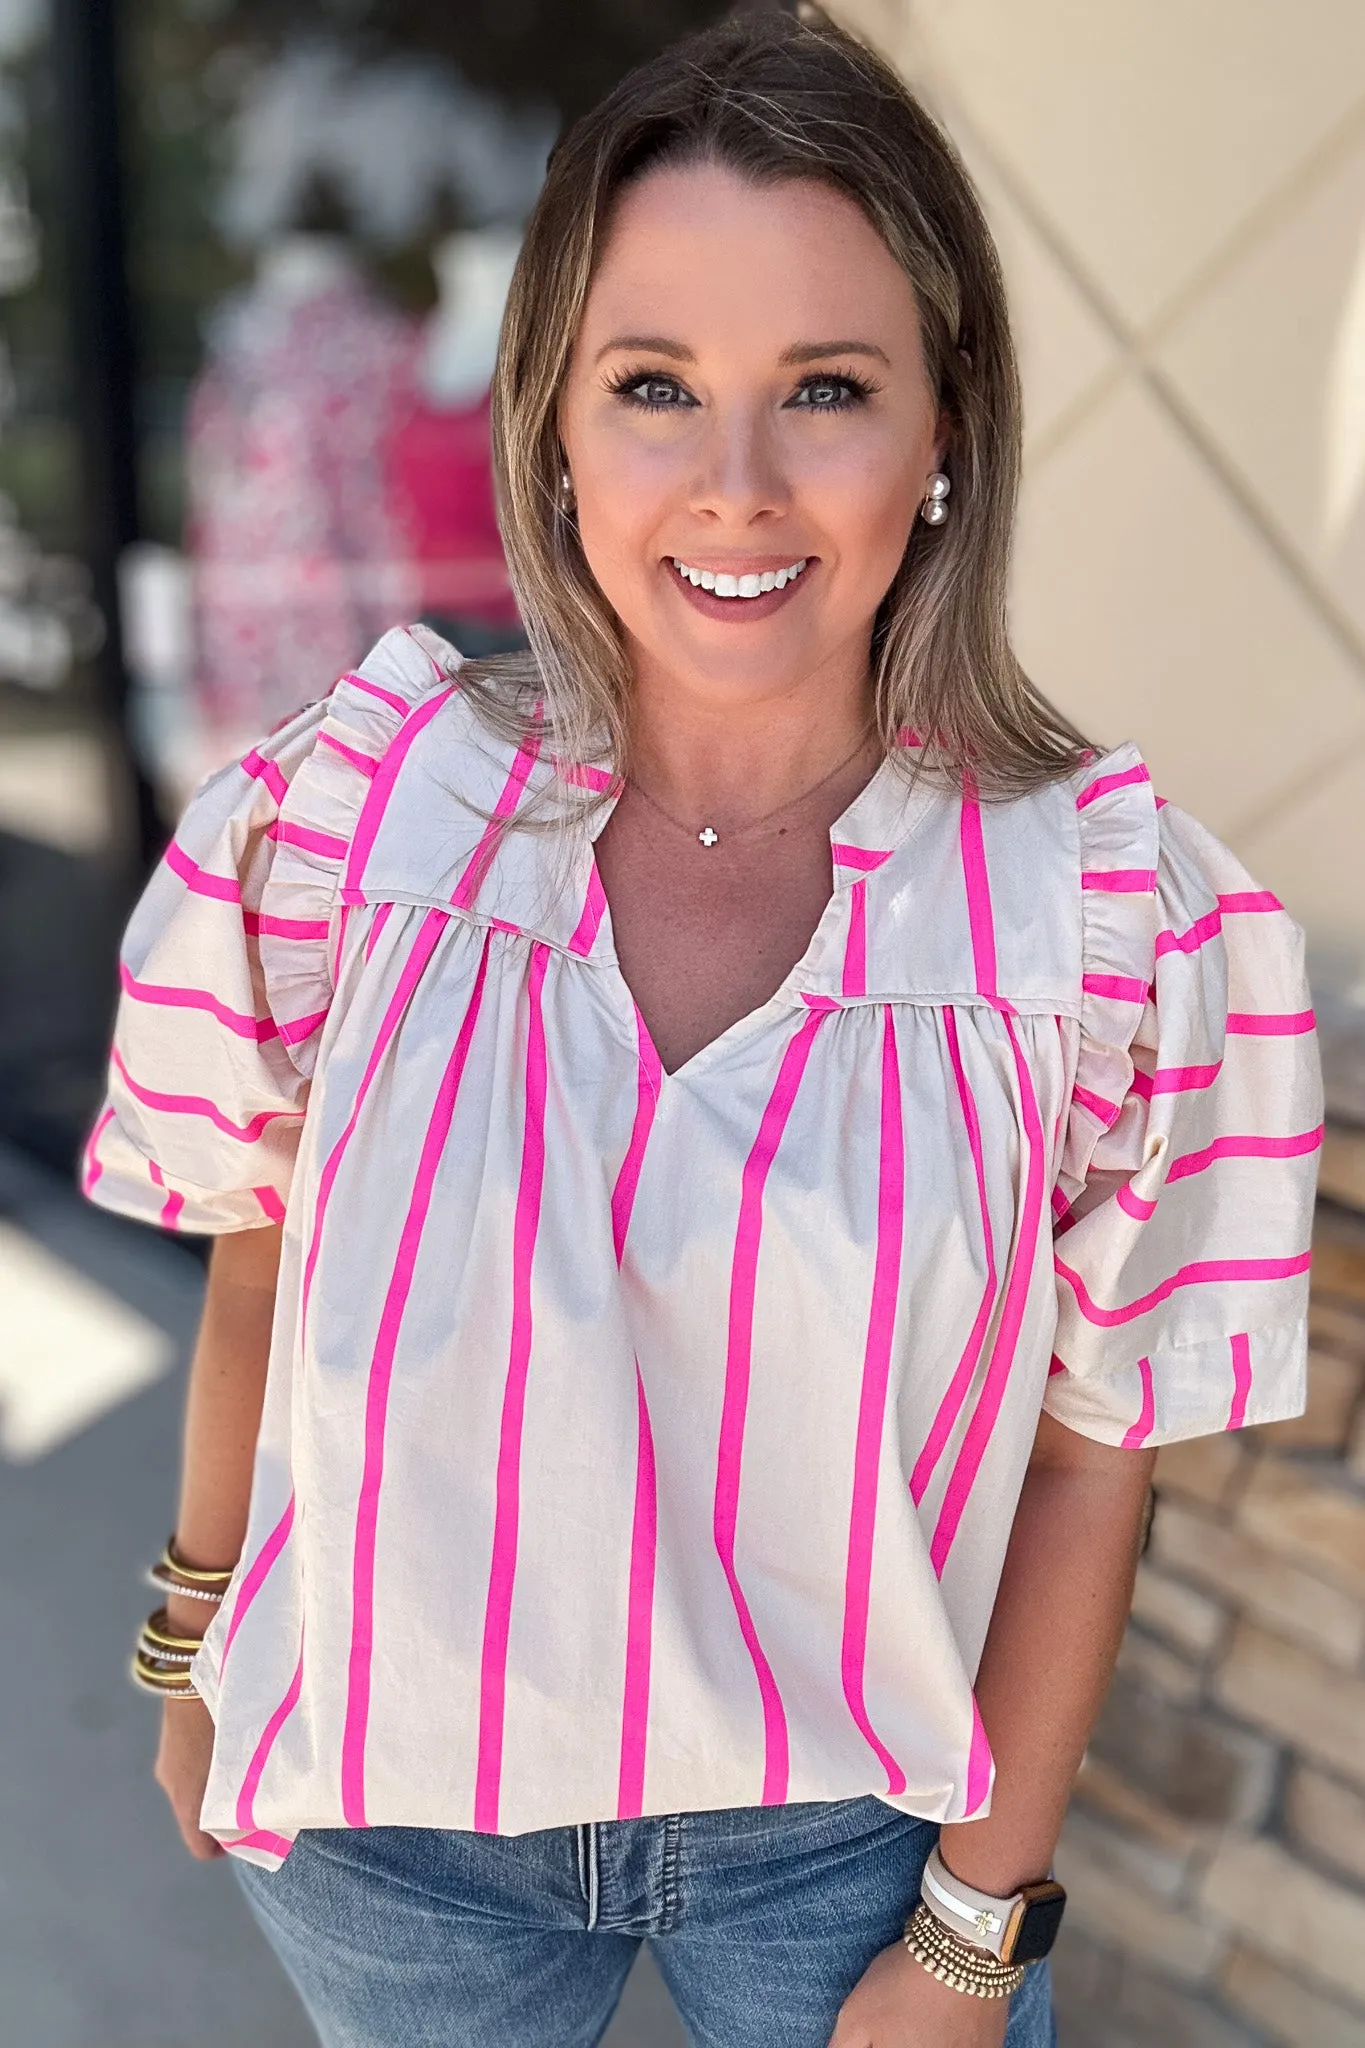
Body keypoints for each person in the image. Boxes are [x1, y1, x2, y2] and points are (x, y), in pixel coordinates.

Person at [84, 12, 1322, 2047]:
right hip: (391, 1817)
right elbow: (259, 1250)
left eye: (823, 389)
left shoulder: (1114, 924)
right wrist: (194, 1640)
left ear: (943, 427)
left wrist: (968, 1932)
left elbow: (1097, 1462)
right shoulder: (352, 813)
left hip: (846, 1848)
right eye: (653, 385)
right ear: (553, 423)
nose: (731, 487)